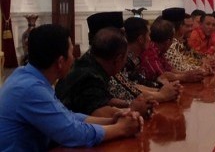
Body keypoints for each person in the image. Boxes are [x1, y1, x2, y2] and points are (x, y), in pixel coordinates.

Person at [0, 24, 143, 150]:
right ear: (60, 62)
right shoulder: (30, 89)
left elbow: (66, 116)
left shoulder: (28, 76)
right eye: (71, 53)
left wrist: (112, 120)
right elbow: (73, 134)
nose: (74, 58)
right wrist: (120, 129)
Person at [56, 13, 153, 118]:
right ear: (119, 59)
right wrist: (134, 110)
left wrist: (130, 104)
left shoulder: (91, 63)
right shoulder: (89, 76)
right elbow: (98, 112)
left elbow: (104, 99)